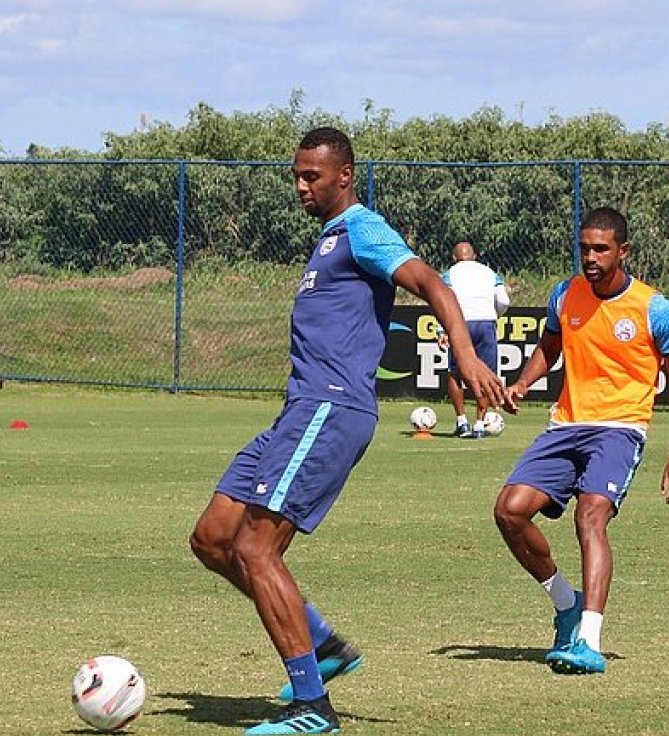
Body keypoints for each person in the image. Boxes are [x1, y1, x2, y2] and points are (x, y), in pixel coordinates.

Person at [190, 127, 513, 735]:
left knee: (258, 549)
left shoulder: (364, 228)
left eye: (312, 176)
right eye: (296, 175)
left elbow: (430, 283)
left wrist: (465, 355)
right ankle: (325, 648)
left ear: (344, 176)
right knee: (212, 539)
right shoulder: (329, 239)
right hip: (296, 410)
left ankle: (312, 707)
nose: (301, 186)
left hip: (329, 408)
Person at [492, 206, 669, 675]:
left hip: (620, 428)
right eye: (584, 248)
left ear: (623, 251)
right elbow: (550, 345)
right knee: (510, 510)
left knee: (590, 516)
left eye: (601, 248)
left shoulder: (654, 308)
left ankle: (589, 639)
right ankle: (565, 603)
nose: (591, 257)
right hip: (566, 425)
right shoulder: (565, 294)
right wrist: (524, 382)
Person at [437, 241, 510, 437]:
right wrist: (493, 315)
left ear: (454, 257)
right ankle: (479, 424)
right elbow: (504, 300)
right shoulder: (490, 272)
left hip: (460, 323)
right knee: (486, 374)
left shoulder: (449, 274)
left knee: (455, 372)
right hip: (486, 323)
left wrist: (441, 329)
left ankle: (461, 421)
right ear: (475, 255)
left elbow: (442, 301)